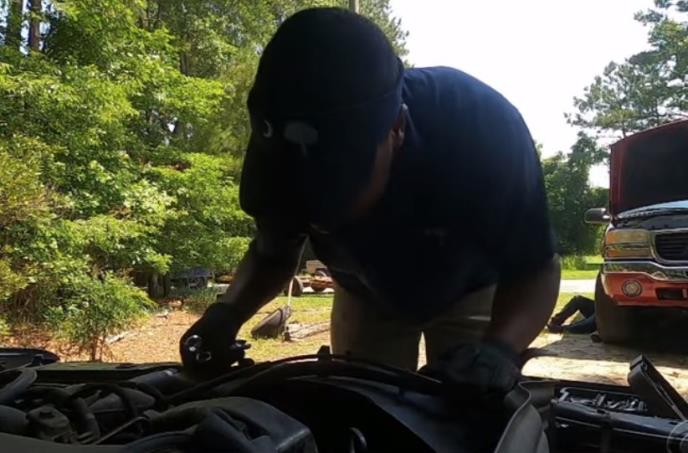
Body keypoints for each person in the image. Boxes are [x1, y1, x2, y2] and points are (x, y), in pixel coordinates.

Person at [180, 7, 561, 393]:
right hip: (364, 292)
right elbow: (272, 254)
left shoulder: (482, 130)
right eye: (307, 197)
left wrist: (499, 350)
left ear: (397, 128)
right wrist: (225, 315)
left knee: (465, 407)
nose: (326, 220)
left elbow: (536, 269)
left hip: (470, 288)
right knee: (360, 407)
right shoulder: (274, 158)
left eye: (340, 187)